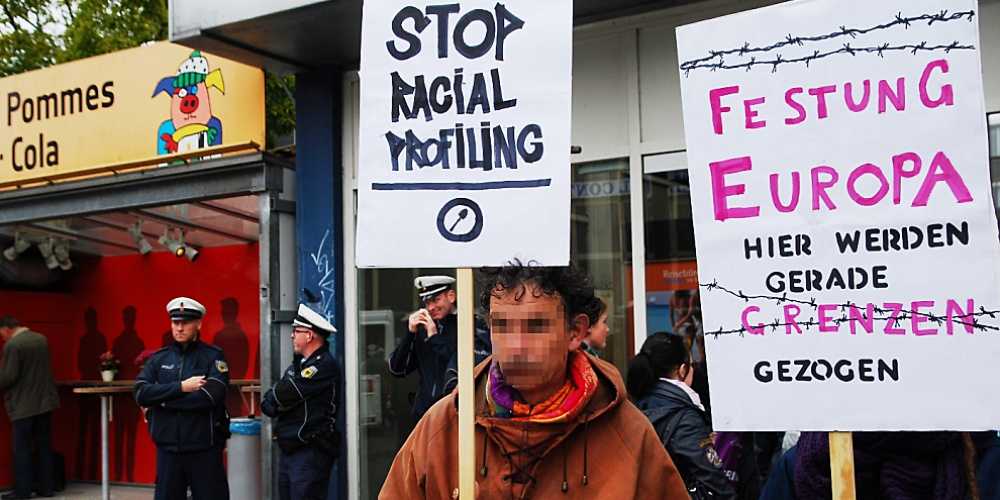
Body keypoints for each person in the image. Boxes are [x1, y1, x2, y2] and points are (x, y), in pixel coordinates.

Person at [380, 262, 688, 499]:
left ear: (576, 332)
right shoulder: (443, 428)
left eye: (535, 326)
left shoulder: (628, 434)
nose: (515, 345)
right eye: (502, 325)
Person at [134, 297, 230, 500]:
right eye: (175, 322)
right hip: (168, 450)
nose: (179, 328)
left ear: (198, 324)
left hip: (204, 449)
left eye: (184, 323)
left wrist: (161, 400)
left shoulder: (213, 356)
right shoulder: (159, 359)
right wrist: (181, 387)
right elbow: (141, 393)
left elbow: (210, 397)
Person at [627, 332, 735, 498]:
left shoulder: (636, 406)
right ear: (682, 370)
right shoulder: (684, 417)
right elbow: (714, 482)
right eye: (692, 365)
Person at [261, 303, 341, 500]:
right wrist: (281, 397)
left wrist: (281, 397)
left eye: (296, 331)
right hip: (289, 451)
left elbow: (282, 394)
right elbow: (268, 405)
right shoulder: (296, 367)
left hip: (310, 451)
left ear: (310, 335)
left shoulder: (324, 365)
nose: (291, 335)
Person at [389, 275, 491, 420]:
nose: (431, 307)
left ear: (451, 296)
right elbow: (397, 369)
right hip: (425, 414)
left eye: (436, 300)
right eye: (427, 302)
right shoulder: (422, 328)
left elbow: (462, 365)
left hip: (458, 413)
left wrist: (434, 338)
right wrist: (410, 333)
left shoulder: (470, 324)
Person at [0, 315, 59, 499]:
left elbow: (9, 377)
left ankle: (23, 491)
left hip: (24, 405)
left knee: (22, 449)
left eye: (1, 334)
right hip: (45, 402)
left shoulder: (13, 345)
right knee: (44, 446)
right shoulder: (41, 339)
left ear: (7, 329)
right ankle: (46, 488)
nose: (2, 338)